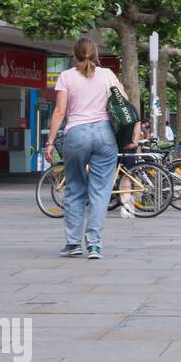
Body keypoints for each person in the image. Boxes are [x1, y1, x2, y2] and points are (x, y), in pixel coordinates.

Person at [44, 37, 130, 259]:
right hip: (104, 134)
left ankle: (73, 243)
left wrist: (50, 141)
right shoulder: (108, 75)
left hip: (77, 134)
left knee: (75, 187)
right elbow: (124, 102)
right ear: (96, 53)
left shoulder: (66, 77)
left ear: (75, 54)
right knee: (100, 191)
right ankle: (94, 244)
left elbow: (59, 112)